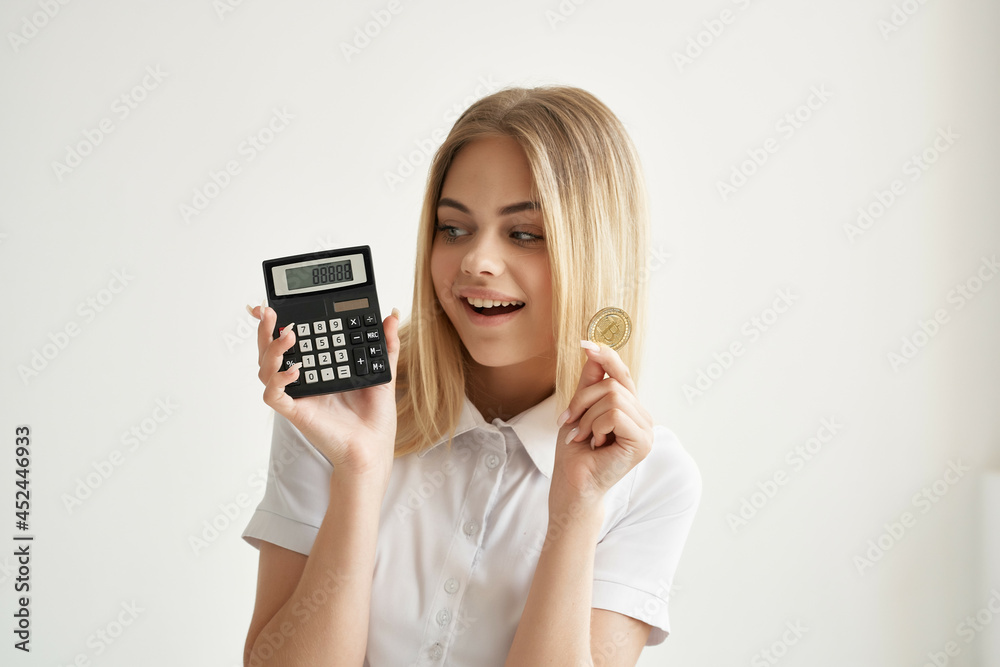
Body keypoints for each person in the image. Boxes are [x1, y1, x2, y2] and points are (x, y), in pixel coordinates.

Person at [241, 86, 702, 666]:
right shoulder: (342, 411)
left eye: (526, 234)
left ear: (596, 250)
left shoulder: (651, 477)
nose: (475, 261)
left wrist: (577, 508)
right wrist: (359, 472)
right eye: (453, 229)